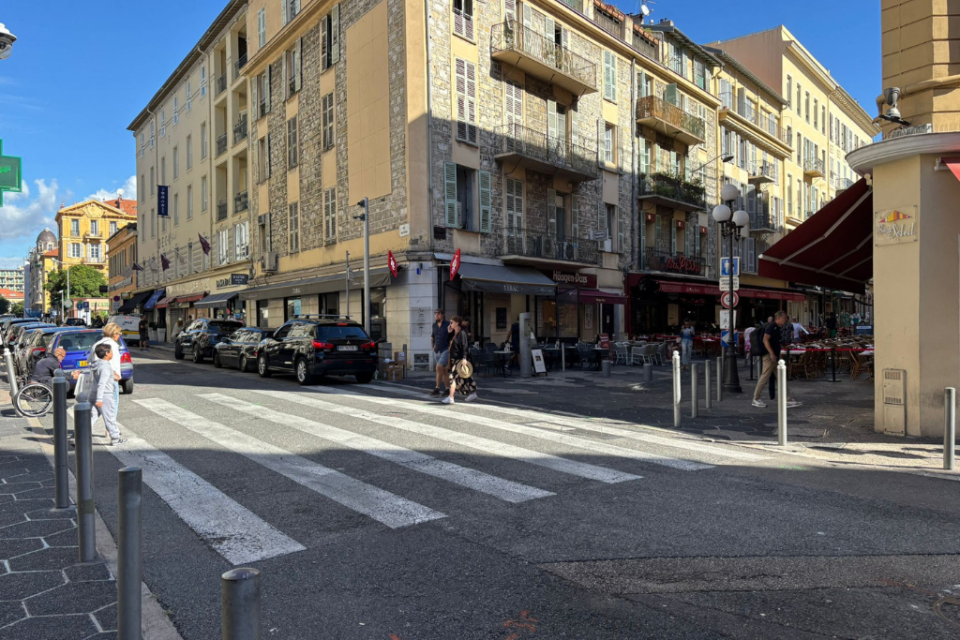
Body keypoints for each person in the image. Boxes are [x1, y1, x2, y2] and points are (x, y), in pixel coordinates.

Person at [752, 311, 801, 409]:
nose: (786, 320)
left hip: (774, 356)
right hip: (770, 356)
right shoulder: (772, 327)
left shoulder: (777, 328)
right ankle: (756, 399)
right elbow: (765, 340)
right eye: (784, 318)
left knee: (781, 377)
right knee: (764, 377)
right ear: (778, 318)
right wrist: (771, 353)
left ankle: (787, 399)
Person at [91, 343, 124, 446]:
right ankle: (115, 438)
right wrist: (100, 399)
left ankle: (79, 435)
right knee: (109, 416)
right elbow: (102, 383)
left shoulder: (97, 364)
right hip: (105, 395)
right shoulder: (105, 366)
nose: (112, 353)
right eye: (111, 351)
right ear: (106, 353)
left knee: (92, 417)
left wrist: (112, 375)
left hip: (95, 393)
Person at [444, 316, 477, 405]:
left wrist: (464, 358)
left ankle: (451, 397)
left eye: (451, 322)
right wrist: (449, 333)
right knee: (466, 376)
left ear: (457, 323)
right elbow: (448, 342)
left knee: (452, 377)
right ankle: (473, 393)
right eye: (450, 322)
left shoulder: (462, 333)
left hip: (459, 359)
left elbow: (464, 346)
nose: (450, 324)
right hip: (453, 359)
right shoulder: (454, 333)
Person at [430, 309, 451, 397]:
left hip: (445, 349)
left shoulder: (447, 324)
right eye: (435, 314)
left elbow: (452, 337)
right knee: (444, 371)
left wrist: (450, 348)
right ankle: (447, 389)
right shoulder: (434, 325)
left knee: (438, 367)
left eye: (438, 314)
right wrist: (432, 346)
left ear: (442, 315)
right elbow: (432, 337)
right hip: (437, 350)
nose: (436, 315)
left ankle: (437, 388)